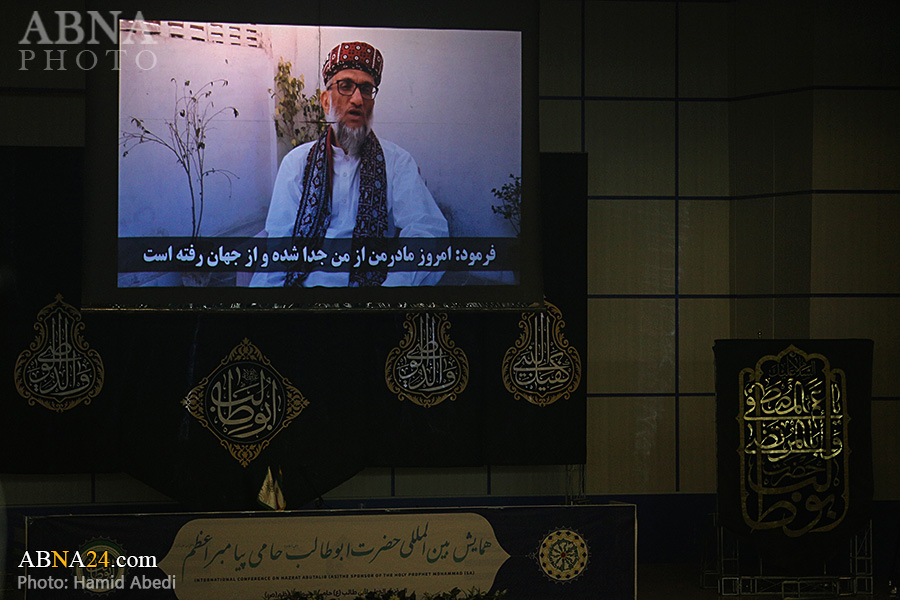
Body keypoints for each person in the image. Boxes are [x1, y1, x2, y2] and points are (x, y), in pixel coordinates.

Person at [252, 41, 449, 287]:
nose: (357, 99)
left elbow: (427, 231)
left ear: (372, 104)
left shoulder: (397, 162)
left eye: (366, 89)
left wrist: (390, 292)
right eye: (345, 86)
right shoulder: (296, 163)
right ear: (325, 101)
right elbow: (279, 247)